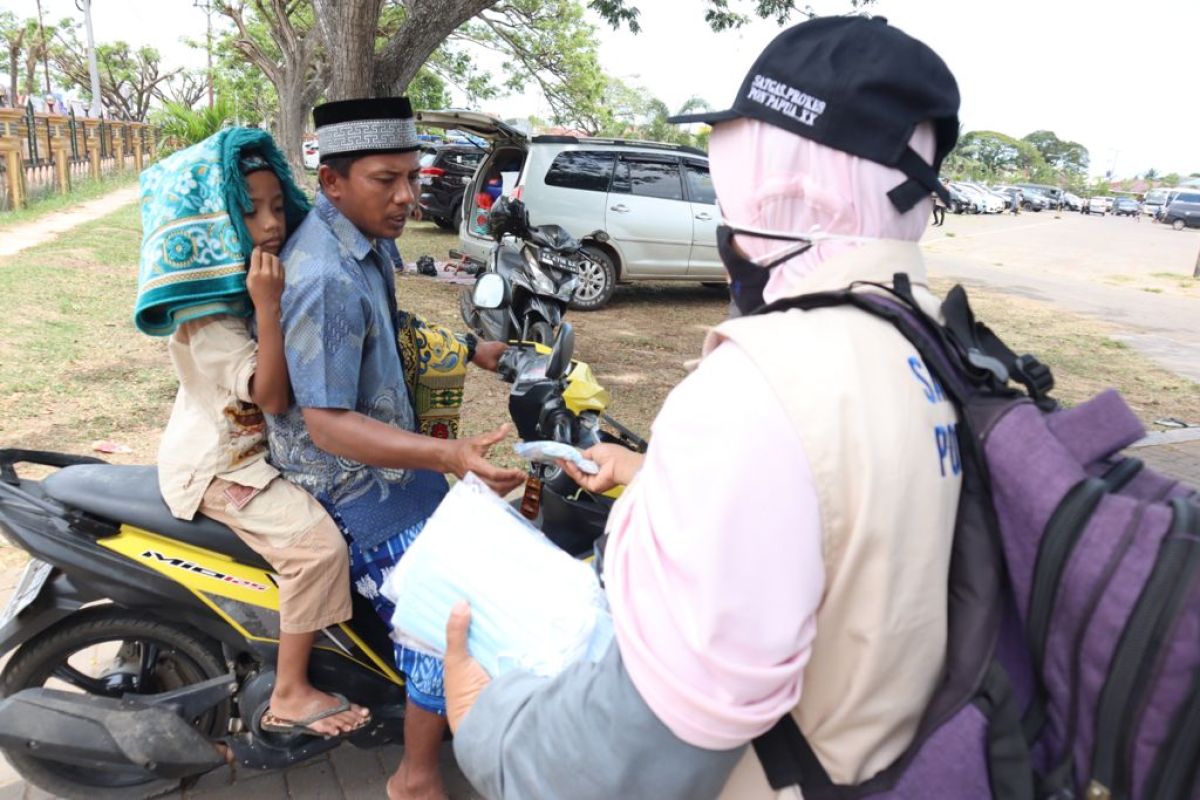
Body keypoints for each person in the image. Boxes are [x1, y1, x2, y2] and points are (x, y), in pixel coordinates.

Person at [442, 16, 965, 799]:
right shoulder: (944, 347)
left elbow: (639, 756)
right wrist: (657, 475)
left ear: (781, 180)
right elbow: (843, 509)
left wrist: (491, 726)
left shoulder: (760, 387)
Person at [267, 97, 526, 800]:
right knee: (450, 618)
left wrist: (478, 351)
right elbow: (325, 424)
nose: (408, 196)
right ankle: (414, 776)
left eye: (412, 177)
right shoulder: (322, 275)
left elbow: (389, 317)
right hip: (349, 483)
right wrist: (447, 455)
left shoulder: (366, 241)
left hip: (391, 464)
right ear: (333, 182)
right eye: (388, 180)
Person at [147, 135, 370, 738]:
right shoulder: (209, 316)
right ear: (217, 222)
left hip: (256, 454)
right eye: (250, 211)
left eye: (277, 205)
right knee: (317, 550)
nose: (270, 225)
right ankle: (291, 692)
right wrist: (267, 308)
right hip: (222, 468)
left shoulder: (260, 275)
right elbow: (272, 395)